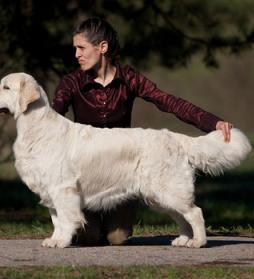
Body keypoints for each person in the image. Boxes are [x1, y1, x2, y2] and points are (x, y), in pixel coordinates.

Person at [52, 17, 233, 246]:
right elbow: (52, 116)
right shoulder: (71, 82)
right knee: (88, 236)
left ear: (102, 47)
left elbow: (168, 102)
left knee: (116, 238)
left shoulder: (129, 78)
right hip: (86, 177)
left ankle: (184, 227)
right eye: (75, 48)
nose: (76, 54)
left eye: (81, 48)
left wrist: (212, 123)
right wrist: (13, 108)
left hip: (124, 171)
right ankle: (89, 222)